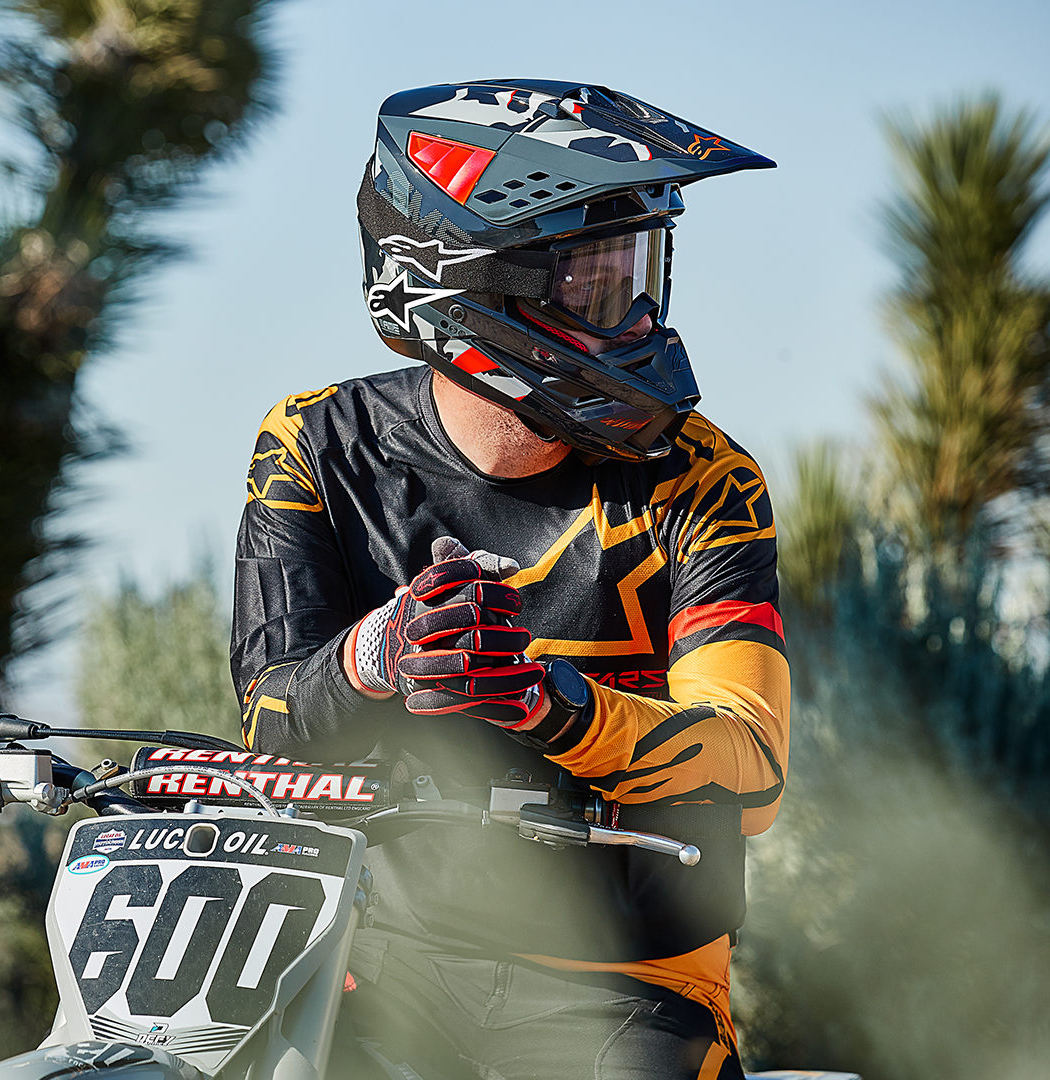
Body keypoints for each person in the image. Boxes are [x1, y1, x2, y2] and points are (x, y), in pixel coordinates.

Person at [231, 80, 788, 1080]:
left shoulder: (708, 479)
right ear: (477, 289)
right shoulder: (313, 443)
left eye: (643, 272)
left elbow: (752, 770)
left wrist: (546, 703)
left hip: (633, 981)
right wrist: (376, 653)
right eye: (597, 284)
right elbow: (271, 726)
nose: (639, 314)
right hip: (385, 957)